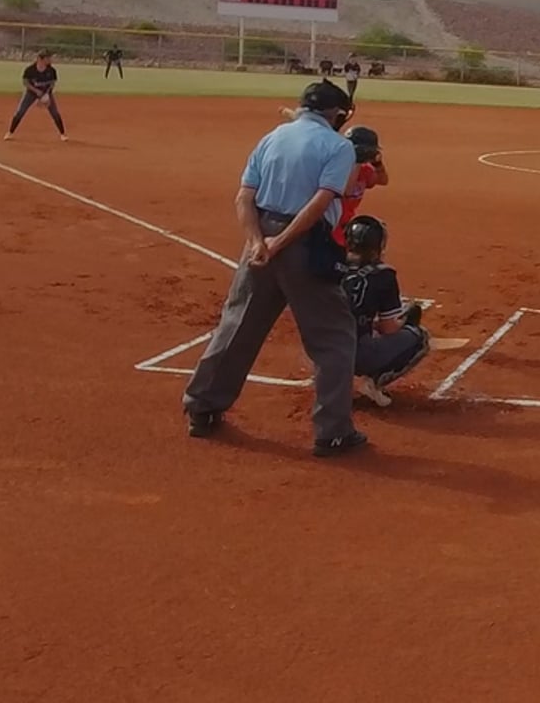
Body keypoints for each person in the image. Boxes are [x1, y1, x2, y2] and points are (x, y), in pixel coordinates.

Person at [183, 80, 368, 457]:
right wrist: (280, 242)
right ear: (336, 114)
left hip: (260, 236)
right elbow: (320, 203)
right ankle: (332, 432)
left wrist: (257, 242)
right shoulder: (338, 146)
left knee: (238, 323)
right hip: (305, 243)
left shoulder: (273, 137)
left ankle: (202, 407)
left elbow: (244, 196)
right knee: (334, 337)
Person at [338, 215, 431, 408]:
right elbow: (389, 328)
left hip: (319, 350)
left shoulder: (329, 266)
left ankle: (330, 382)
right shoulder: (383, 275)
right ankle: (375, 382)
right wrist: (406, 322)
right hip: (356, 354)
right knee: (419, 337)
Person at [332, 126, 388, 244]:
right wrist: (357, 160)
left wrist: (377, 164)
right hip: (331, 226)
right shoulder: (337, 168)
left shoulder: (365, 170)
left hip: (346, 225)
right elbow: (347, 191)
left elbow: (383, 180)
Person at [5, 51, 67, 141]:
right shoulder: (30, 70)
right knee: (20, 111)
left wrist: (46, 94)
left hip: (45, 93)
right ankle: (10, 132)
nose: (50, 60)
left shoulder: (51, 70)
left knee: (55, 113)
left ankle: (63, 134)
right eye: (47, 58)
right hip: (31, 93)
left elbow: (52, 83)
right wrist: (36, 91)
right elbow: (25, 82)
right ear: (40, 59)